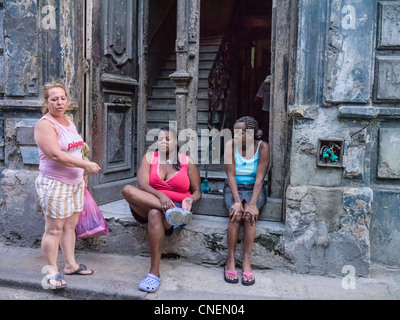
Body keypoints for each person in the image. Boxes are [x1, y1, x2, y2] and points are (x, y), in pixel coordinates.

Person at [34, 83, 101, 289]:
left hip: (75, 183)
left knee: (69, 227)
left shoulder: (68, 122)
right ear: (46, 102)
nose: (59, 103)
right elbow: (55, 154)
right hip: (55, 184)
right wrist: (86, 165)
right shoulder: (45, 125)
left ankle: (70, 265)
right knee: (54, 229)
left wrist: (82, 175)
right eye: (54, 99)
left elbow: (76, 149)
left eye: (62, 98)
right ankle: (51, 272)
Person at [122, 126, 202, 292]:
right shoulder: (150, 157)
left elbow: (197, 191)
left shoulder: (187, 162)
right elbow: (143, 184)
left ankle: (154, 273)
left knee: (154, 214)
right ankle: (173, 213)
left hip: (176, 208)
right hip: (150, 202)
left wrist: (191, 198)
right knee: (127, 190)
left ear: (176, 142)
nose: (163, 142)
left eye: (167, 139)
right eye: (160, 139)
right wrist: (161, 196)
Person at [223, 116, 270, 286]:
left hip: (254, 188)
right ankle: (230, 261)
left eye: (239, 133)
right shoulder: (230, 146)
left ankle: (246, 263)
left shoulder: (262, 147)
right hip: (233, 187)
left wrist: (252, 204)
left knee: (250, 216)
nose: (234, 135)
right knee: (236, 215)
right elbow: (230, 176)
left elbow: (260, 178)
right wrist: (237, 201)